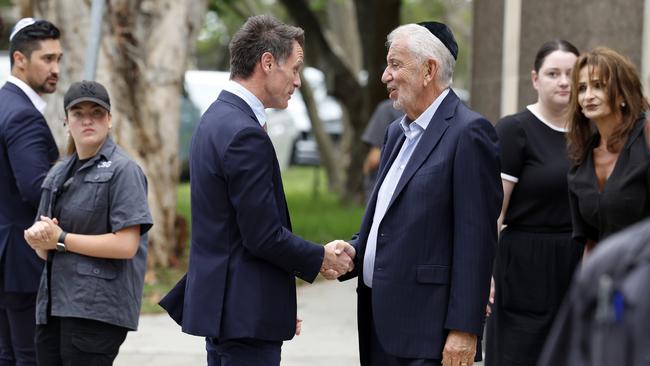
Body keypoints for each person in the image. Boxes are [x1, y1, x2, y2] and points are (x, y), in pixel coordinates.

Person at [158, 15, 355, 366]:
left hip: (229, 315)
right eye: (294, 69)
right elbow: (262, 235)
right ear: (267, 62)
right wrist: (321, 257)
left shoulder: (214, 117)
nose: (297, 81)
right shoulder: (243, 132)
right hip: (244, 322)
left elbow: (230, 230)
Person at [339, 21, 502, 366]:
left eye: (395, 64)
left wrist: (464, 330)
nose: (385, 76)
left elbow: (477, 242)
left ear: (429, 70)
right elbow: (389, 219)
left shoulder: (469, 133)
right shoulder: (395, 134)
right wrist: (355, 249)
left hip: (429, 336)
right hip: (379, 323)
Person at [23, 80, 153, 365]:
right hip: (53, 307)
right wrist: (37, 240)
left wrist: (61, 238)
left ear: (109, 120)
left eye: (96, 112)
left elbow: (126, 245)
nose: (87, 120)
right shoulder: (58, 174)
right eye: (78, 113)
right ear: (66, 121)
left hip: (96, 310)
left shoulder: (124, 171)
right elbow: (46, 250)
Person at [484, 40, 582, 366]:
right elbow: (493, 213)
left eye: (572, 73)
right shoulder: (514, 130)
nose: (564, 81)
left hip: (578, 262)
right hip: (524, 265)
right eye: (553, 73)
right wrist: (484, 271)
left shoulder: (592, 131)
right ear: (535, 79)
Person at [0, 18, 62, 365]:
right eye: (47, 59)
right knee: (30, 357)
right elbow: (37, 190)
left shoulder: (3, 103)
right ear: (20, 59)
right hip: (21, 260)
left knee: (8, 354)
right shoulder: (23, 115)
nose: (55, 69)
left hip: (6, 255)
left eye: (58, 59)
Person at [566, 47, 650, 255]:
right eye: (582, 88)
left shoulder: (647, 137)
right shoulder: (581, 158)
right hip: (610, 276)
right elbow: (590, 242)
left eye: (598, 86)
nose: (588, 96)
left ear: (622, 95)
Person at [362, 99, 403, 201]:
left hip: (385, 189)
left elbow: (374, 159)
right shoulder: (429, 107)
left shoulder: (387, 109)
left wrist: (366, 169)